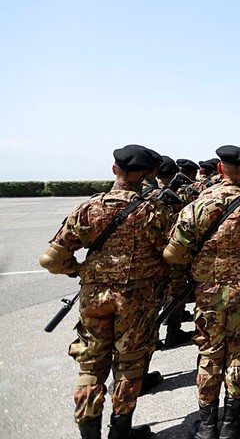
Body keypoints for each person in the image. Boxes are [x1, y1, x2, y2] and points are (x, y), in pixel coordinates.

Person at [40, 145, 169, 439]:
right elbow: (170, 254)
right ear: (148, 174)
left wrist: (79, 271)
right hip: (136, 300)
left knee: (91, 364)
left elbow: (50, 259)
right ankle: (120, 431)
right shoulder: (154, 211)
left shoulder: (87, 208)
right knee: (129, 364)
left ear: (115, 171)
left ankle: (89, 434)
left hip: (94, 296)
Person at [165, 145, 240, 439]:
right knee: (239, 351)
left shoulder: (198, 206)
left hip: (209, 292)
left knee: (210, 354)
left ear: (220, 169)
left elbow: (174, 254)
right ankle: (230, 421)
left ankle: (206, 425)